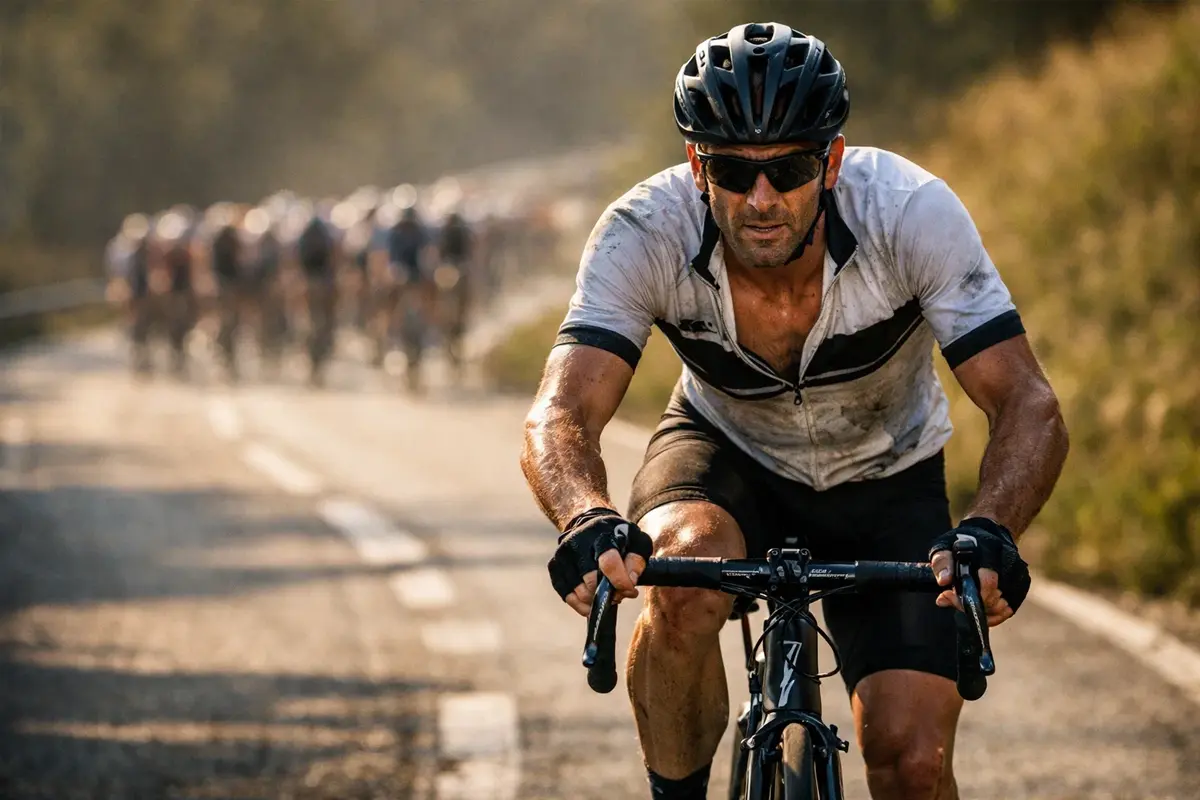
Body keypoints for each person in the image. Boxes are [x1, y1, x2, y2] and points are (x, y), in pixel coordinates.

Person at [523, 22, 1069, 800]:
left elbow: (1028, 401)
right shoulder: (645, 230)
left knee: (911, 763)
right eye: (732, 173)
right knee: (680, 582)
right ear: (695, 165)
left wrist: (990, 530)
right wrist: (583, 515)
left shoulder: (910, 214)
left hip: (889, 470)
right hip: (724, 452)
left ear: (833, 162)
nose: (761, 199)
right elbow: (562, 407)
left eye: (789, 169)